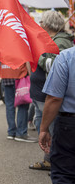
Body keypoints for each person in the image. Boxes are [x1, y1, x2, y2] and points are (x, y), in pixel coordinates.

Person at [38, 46, 75, 184]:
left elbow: (54, 98)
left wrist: (44, 129)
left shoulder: (67, 57)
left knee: (63, 175)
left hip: (70, 123)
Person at [29, 10, 73, 170]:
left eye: (42, 22)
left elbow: (56, 65)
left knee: (52, 129)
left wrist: (38, 57)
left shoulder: (61, 42)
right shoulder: (54, 39)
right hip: (42, 91)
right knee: (46, 126)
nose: (40, 25)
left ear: (48, 24)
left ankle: (57, 162)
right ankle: (50, 160)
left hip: (50, 93)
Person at [0, 62, 37, 142]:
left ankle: (11, 132)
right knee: (23, 104)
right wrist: (30, 75)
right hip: (19, 74)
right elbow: (26, 60)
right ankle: (21, 132)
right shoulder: (23, 48)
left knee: (9, 105)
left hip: (6, 73)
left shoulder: (5, 48)